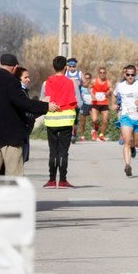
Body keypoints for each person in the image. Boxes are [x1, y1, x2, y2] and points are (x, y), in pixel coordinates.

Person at [0, 54, 54, 176]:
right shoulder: (12, 82)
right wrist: (45, 106)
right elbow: (22, 103)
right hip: (11, 137)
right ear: (15, 67)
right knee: (13, 175)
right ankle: (12, 195)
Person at [42, 56, 78, 188]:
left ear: (53, 67)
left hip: (51, 120)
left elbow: (43, 99)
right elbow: (76, 101)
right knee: (63, 151)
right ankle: (62, 180)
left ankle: (51, 179)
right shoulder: (70, 82)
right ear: (66, 68)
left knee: (53, 151)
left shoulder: (47, 82)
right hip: (66, 120)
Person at [114, 64, 138, 177]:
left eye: (132, 75)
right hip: (126, 116)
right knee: (127, 141)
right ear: (124, 74)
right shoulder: (120, 86)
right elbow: (114, 95)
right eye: (128, 74)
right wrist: (115, 104)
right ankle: (127, 165)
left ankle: (133, 148)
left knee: (136, 143)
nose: (130, 77)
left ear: (135, 75)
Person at [89, 66, 113, 140]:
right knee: (94, 120)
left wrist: (109, 92)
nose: (102, 74)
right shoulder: (94, 81)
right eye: (101, 73)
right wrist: (92, 95)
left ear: (105, 73)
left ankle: (101, 135)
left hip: (104, 103)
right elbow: (89, 87)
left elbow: (111, 89)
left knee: (105, 120)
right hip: (95, 103)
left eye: (104, 73)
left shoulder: (108, 82)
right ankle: (95, 129)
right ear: (98, 74)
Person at [76, 70, 93, 142]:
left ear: (91, 79)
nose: (87, 79)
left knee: (94, 120)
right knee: (83, 122)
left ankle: (93, 133)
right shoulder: (81, 86)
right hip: (84, 104)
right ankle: (82, 136)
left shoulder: (93, 85)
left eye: (89, 78)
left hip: (92, 104)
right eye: (86, 78)